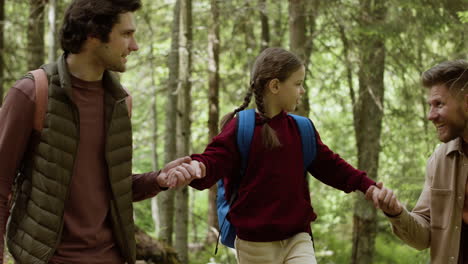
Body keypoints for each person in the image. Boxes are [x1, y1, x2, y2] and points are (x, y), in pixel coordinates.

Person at [0, 0, 203, 263]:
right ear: (94, 33)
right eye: (126, 34)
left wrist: (159, 179)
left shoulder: (121, 102)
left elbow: (110, 188)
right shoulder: (32, 93)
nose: (135, 45)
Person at [170, 47, 381, 264]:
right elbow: (214, 159)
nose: (302, 90)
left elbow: (332, 166)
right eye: (298, 84)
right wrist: (198, 167)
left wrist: (367, 186)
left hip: (298, 239)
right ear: (275, 85)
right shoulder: (241, 128)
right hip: (254, 245)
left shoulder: (302, 129)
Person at [370, 60, 468, 264]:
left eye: (439, 104)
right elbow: (423, 238)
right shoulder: (440, 160)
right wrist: (396, 212)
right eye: (429, 106)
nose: (430, 116)